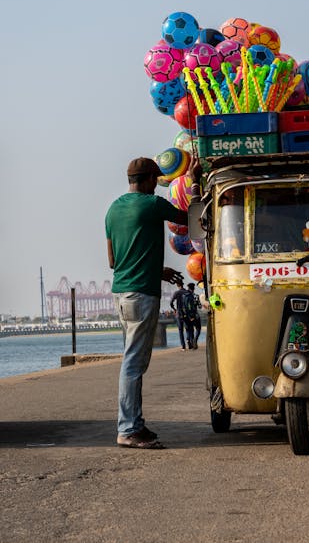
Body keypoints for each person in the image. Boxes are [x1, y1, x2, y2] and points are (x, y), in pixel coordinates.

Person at [105, 156, 200, 449]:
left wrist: (158, 270)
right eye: (155, 181)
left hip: (122, 293)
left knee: (134, 362)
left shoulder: (113, 210)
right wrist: (194, 183)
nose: (156, 187)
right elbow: (190, 218)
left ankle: (136, 424)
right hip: (141, 295)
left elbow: (113, 261)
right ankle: (128, 429)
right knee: (133, 365)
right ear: (147, 180)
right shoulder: (152, 204)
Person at [170, 281, 192, 350]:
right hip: (187, 314)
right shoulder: (187, 292)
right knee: (188, 328)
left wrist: (174, 309)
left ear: (177, 285)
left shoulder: (176, 293)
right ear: (183, 284)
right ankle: (188, 340)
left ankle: (183, 346)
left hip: (179, 313)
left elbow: (171, 302)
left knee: (180, 330)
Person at [188, 282, 202, 349]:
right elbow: (199, 306)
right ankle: (195, 340)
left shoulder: (185, 296)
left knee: (190, 330)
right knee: (198, 329)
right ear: (194, 288)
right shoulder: (196, 296)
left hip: (188, 316)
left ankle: (191, 343)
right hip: (195, 315)